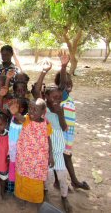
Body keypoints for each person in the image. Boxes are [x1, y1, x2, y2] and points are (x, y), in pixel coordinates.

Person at [33, 60, 72, 213]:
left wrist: (63, 67)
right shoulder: (43, 109)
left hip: (59, 152)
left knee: (62, 177)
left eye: (58, 97)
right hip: (45, 151)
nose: (56, 100)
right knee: (47, 177)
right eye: (53, 97)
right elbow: (36, 91)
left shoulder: (59, 110)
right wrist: (44, 72)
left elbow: (63, 127)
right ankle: (46, 195)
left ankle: (64, 197)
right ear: (46, 97)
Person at [54, 52, 90, 190]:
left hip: (68, 134)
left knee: (67, 156)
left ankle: (72, 181)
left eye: (70, 82)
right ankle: (63, 181)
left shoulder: (69, 98)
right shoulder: (61, 96)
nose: (68, 85)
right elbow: (62, 84)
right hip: (61, 134)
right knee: (61, 157)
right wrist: (64, 66)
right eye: (65, 83)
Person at [10, 98, 53, 207]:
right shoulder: (27, 119)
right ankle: (22, 198)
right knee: (23, 178)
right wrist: (15, 113)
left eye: (35, 109)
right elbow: (20, 118)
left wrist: (51, 156)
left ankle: (37, 199)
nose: (31, 111)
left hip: (39, 159)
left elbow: (48, 139)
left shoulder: (46, 124)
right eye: (30, 108)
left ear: (43, 112)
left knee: (36, 180)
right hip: (24, 158)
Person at [7, 98, 28, 194]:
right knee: (12, 168)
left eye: (16, 105)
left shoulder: (23, 120)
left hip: (20, 152)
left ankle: (20, 189)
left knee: (20, 170)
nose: (13, 107)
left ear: (22, 109)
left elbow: (22, 119)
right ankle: (11, 188)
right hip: (11, 151)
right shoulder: (12, 118)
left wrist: (16, 114)